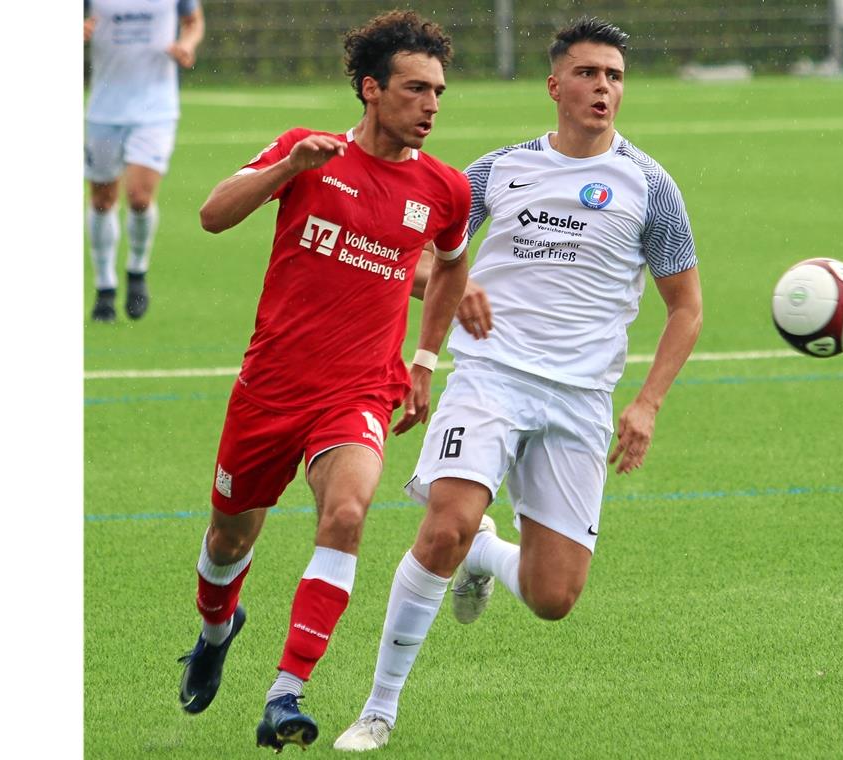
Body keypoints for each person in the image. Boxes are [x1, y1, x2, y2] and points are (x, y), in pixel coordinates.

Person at [334, 16, 703, 752]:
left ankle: (485, 553)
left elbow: (686, 308)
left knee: (552, 597)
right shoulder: (495, 171)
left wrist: (648, 403)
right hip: (491, 377)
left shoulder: (651, 188)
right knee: (442, 526)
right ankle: (379, 709)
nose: (604, 88)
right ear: (555, 85)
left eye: (616, 76)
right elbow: (412, 261)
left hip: (580, 399)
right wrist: (447, 295)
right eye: (590, 73)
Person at [175, 11, 472, 753]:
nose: (431, 105)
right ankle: (217, 629)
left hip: (358, 393)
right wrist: (285, 170)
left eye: (438, 90)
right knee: (227, 538)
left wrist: (426, 360)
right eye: (414, 88)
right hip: (269, 390)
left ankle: (286, 693)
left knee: (345, 515)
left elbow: (446, 264)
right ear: (372, 90)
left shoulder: (444, 189)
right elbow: (213, 216)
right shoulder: (310, 152)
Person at [84, 0, 205, 322]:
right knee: (101, 200)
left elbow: (193, 21)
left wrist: (186, 44)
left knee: (139, 197)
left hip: (156, 108)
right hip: (104, 108)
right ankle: (104, 287)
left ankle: (137, 270)